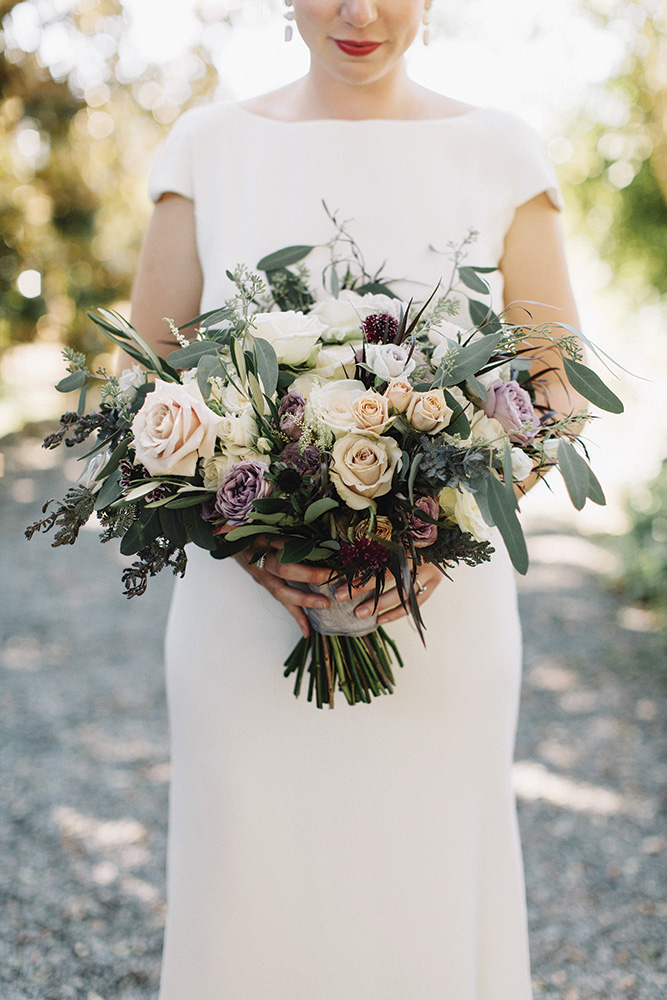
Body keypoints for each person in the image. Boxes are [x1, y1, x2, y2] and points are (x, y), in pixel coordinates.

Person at [130, 3, 582, 997]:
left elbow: (554, 392)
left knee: (420, 894)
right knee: (251, 892)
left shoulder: (501, 152)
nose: (359, 13)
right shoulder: (207, 148)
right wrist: (248, 536)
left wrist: (444, 524)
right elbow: (146, 383)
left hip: (439, 618)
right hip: (244, 620)